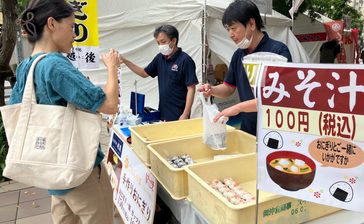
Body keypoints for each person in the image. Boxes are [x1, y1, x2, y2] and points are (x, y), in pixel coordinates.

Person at [10, 0, 121, 223]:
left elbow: (16, 107)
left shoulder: (26, 66)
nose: (74, 34)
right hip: (80, 173)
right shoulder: (55, 65)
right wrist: (112, 67)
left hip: (53, 174)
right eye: (71, 26)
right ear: (51, 24)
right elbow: (109, 105)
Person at [199, 0, 292, 136]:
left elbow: (277, 97)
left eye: (234, 28)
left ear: (252, 24)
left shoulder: (278, 52)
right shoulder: (238, 55)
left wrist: (238, 107)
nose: (230, 34)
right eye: (227, 29)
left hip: (275, 130)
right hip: (248, 128)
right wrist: (211, 90)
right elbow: (229, 87)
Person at [119, 25, 199, 121]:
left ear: (173, 40)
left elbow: (191, 88)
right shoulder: (160, 58)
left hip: (179, 114)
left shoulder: (185, 60)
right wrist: (125, 61)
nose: (161, 46)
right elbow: (144, 73)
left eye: (163, 42)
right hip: (163, 112)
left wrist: (185, 114)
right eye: (158, 43)